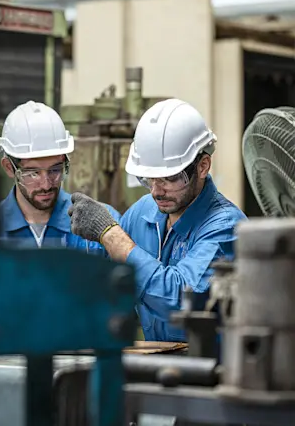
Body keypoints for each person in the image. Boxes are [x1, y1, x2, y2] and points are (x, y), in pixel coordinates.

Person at [68, 98, 247, 341]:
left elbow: (180, 302)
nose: (156, 191)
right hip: (157, 368)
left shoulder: (227, 227)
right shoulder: (144, 210)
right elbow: (105, 267)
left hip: (210, 373)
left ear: (203, 166)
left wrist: (110, 233)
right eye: (148, 179)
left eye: (169, 178)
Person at [0, 100, 120, 252]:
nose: (46, 185)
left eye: (55, 170)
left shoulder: (104, 225)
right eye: (33, 173)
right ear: (9, 168)